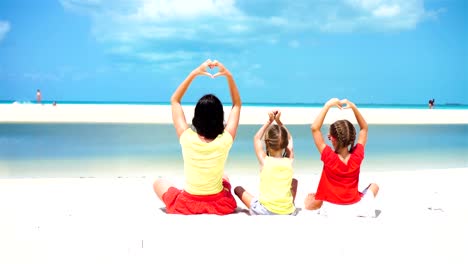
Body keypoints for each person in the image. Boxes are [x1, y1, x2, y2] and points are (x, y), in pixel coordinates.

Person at [153, 59, 241, 215]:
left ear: (196, 117)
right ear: (220, 117)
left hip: (188, 203)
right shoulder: (225, 140)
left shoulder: (186, 137)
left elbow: (175, 100)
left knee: (158, 182)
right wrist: (229, 75)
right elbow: (237, 105)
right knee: (224, 176)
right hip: (219, 204)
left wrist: (195, 73)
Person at [304, 98, 379, 217]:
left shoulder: (328, 156)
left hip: (330, 208)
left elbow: (315, 128)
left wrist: (327, 105)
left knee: (308, 200)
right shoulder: (357, 155)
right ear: (351, 139)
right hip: (355, 208)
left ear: (332, 138)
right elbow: (364, 128)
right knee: (374, 186)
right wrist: (354, 107)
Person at [234, 110, 298, 215]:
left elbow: (256, 138)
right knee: (294, 182)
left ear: (267, 143)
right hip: (288, 212)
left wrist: (269, 121)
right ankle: (289, 203)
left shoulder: (265, 160)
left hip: (264, 211)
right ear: (285, 144)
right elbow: (290, 138)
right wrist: (279, 121)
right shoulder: (289, 160)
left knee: (238, 189)